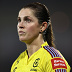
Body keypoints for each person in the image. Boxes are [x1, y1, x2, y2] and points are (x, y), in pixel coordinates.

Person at [11, 2, 71, 72]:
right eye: (19, 20)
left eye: (28, 20)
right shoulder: (17, 62)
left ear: (42, 26)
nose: (20, 25)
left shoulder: (53, 58)